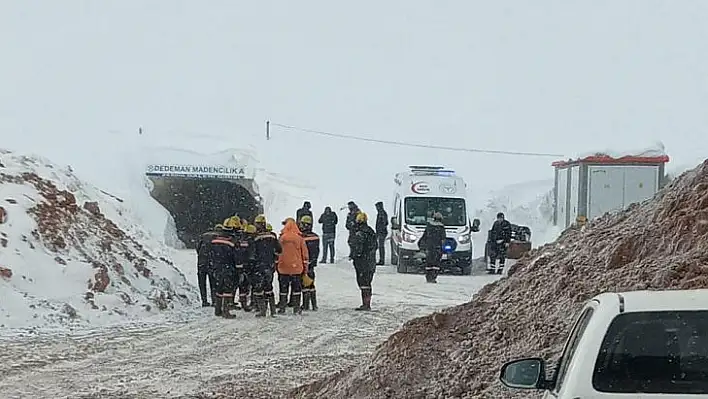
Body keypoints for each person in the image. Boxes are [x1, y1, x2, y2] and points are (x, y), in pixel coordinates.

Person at [252, 215, 282, 317]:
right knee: (269, 287)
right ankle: (273, 311)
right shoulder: (272, 236)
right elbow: (279, 250)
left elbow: (252, 253)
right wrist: (273, 258)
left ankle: (262, 310)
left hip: (259, 266)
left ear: (260, 224)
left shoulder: (255, 237)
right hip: (270, 266)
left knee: (259, 288)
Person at [277, 218, 309, 314]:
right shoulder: (299, 238)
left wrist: (276, 265)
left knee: (283, 288)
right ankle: (296, 308)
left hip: (283, 268)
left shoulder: (282, 238)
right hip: (296, 268)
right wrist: (305, 268)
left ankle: (282, 307)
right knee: (296, 289)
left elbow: (277, 252)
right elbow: (305, 254)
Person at [210, 224, 241, 318]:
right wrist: (239, 268)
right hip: (228, 268)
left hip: (216, 267)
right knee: (228, 289)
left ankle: (217, 310)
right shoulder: (231, 242)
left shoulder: (214, 241)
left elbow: (210, 254)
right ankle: (226, 311)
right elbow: (236, 257)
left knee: (219, 288)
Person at [350, 212, 377, 311]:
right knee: (368, 283)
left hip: (362, 263)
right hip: (371, 262)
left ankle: (365, 304)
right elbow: (376, 246)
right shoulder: (371, 232)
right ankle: (367, 303)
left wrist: (355, 256)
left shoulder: (360, 233)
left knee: (363, 283)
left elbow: (358, 249)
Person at [298, 215, 320, 311]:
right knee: (311, 284)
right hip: (312, 263)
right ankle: (314, 305)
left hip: (304, 263)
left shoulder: (301, 237)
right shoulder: (315, 236)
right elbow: (317, 250)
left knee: (304, 284)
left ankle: (306, 305)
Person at [418, 212, 446, 283]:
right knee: (436, 263)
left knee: (429, 262)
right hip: (437, 247)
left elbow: (424, 237)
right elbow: (443, 239)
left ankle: (428, 277)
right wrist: (443, 248)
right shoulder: (441, 228)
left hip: (429, 247)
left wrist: (421, 245)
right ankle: (433, 277)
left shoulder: (429, 226)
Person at [196, 224, 220, 307]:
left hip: (201, 262)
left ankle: (204, 300)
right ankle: (214, 301)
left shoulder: (203, 237)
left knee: (202, 282)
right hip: (211, 262)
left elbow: (197, 248)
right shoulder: (216, 237)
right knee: (213, 282)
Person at [374, 201, 388, 265]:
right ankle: (381, 259)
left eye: (377, 207)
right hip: (380, 232)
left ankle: (382, 260)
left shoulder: (382, 213)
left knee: (381, 246)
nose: (376, 208)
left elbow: (385, 223)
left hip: (382, 232)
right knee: (380, 246)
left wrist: (380, 231)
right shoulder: (381, 213)